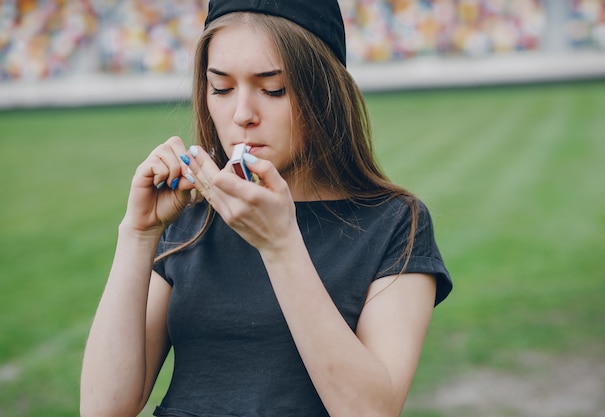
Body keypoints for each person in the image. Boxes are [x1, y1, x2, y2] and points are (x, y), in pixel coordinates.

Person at [80, 1, 452, 416]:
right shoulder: (191, 214)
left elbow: (371, 411)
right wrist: (138, 234)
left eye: (273, 88)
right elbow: (104, 408)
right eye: (220, 88)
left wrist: (280, 245)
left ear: (326, 92)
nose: (241, 115)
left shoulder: (395, 222)